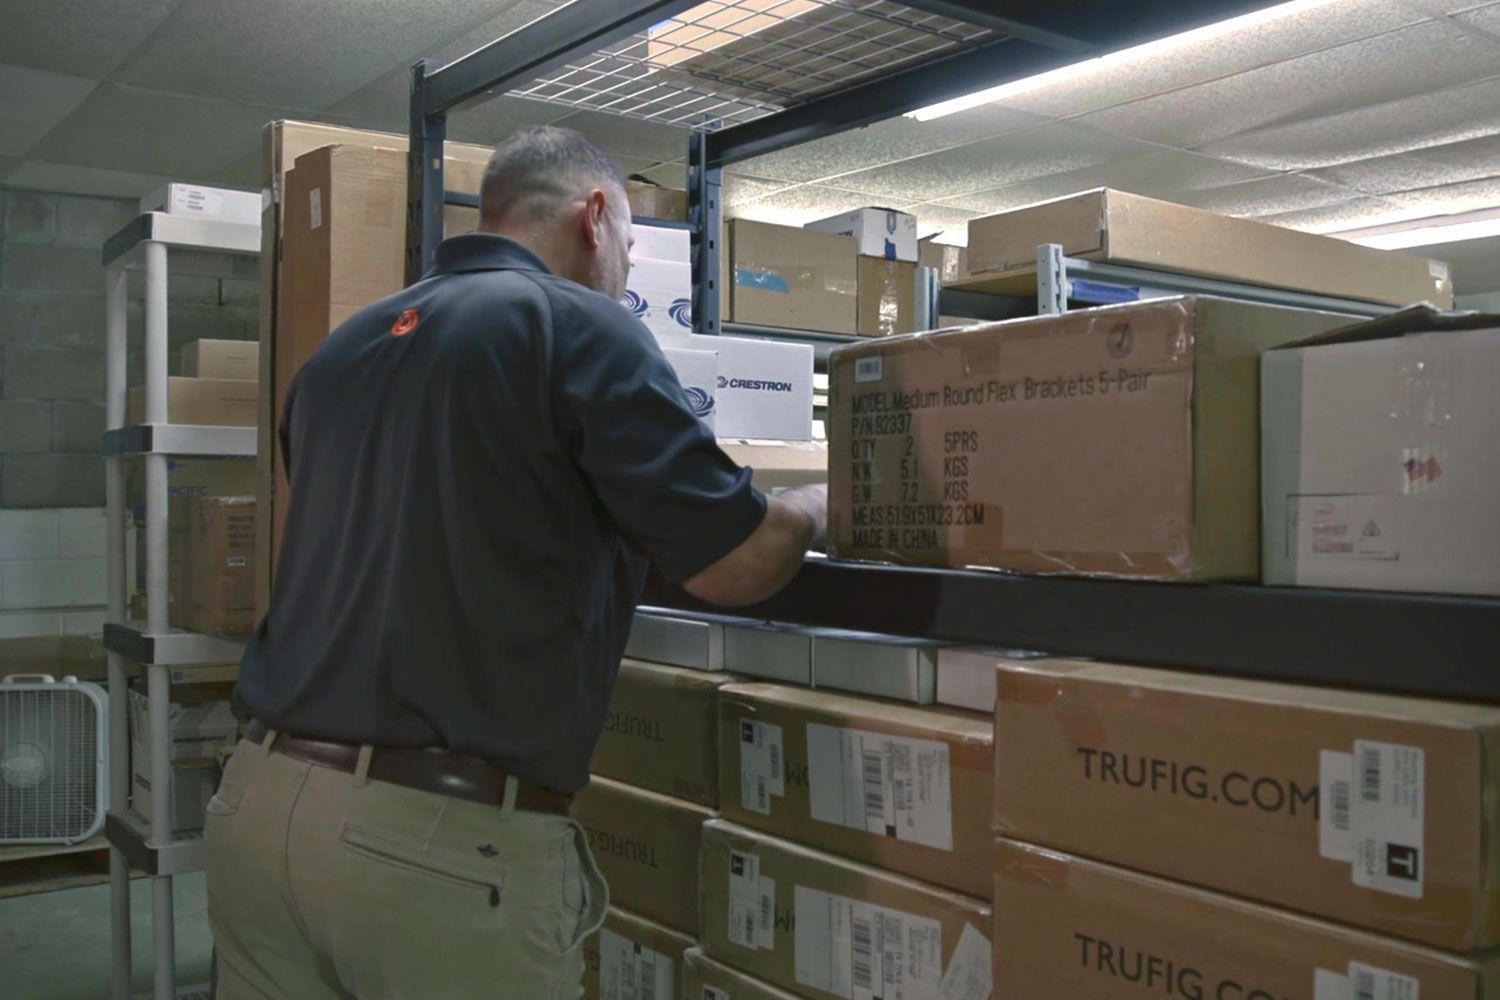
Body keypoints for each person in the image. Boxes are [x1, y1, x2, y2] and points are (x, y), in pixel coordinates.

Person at [205, 125, 825, 999]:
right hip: (432, 850)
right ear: (596, 217)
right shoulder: (575, 325)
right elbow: (737, 564)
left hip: (256, 811)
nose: (626, 269)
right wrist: (824, 500)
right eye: (631, 245)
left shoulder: (340, 352)